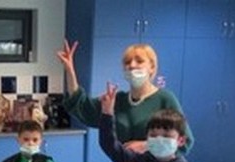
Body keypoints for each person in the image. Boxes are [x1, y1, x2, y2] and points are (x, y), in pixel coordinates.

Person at [57, 40, 194, 153]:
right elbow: (82, 106)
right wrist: (70, 70)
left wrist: (147, 145)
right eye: (127, 62)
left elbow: (185, 141)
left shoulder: (165, 99)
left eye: (139, 61)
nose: (132, 65)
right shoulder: (118, 100)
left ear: (152, 67)